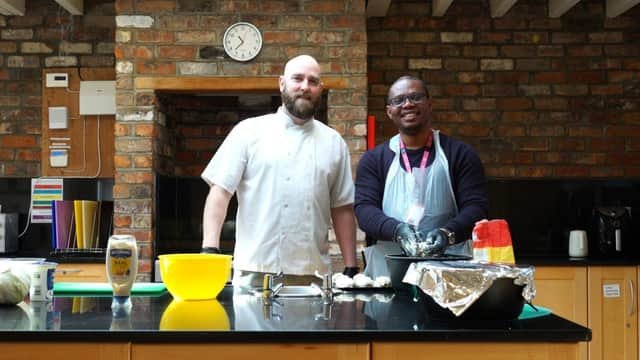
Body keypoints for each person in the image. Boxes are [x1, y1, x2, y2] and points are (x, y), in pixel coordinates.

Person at [200, 54, 358, 288]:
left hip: (313, 276)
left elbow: (342, 207)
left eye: (313, 81)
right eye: (298, 79)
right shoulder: (248, 131)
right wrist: (210, 249)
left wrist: (351, 266)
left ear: (320, 89)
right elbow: (221, 191)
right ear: (282, 83)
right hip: (255, 271)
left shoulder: (334, 142)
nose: (305, 87)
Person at [354, 75, 488, 278]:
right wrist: (397, 230)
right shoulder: (374, 160)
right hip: (389, 271)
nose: (407, 104)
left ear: (430, 104)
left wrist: (447, 233)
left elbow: (477, 207)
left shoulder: (460, 154)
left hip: (449, 270)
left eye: (415, 97)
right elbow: (364, 210)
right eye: (398, 100)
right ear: (389, 111)